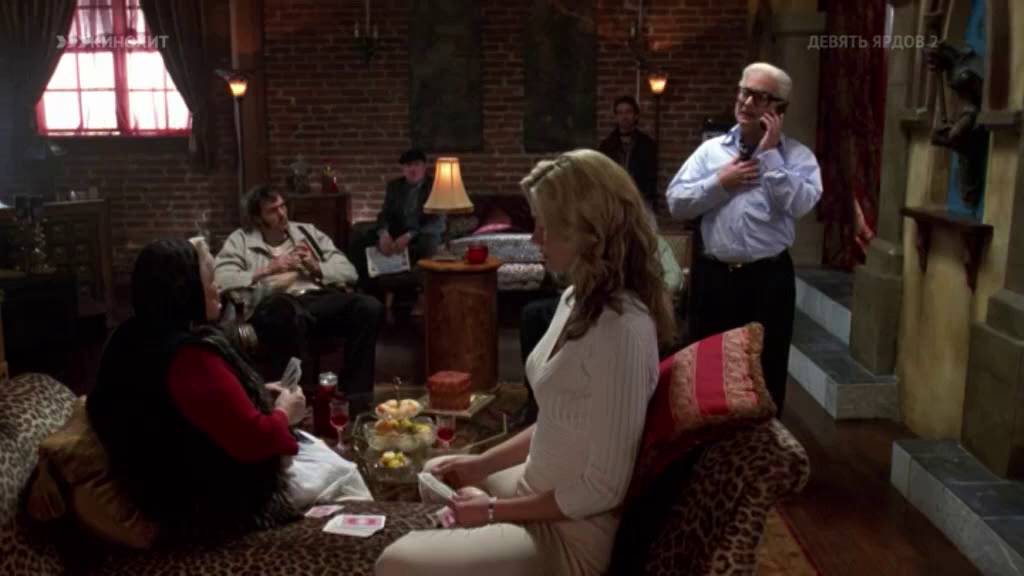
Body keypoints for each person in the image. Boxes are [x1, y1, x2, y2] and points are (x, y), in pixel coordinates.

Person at [375, 149, 676, 576]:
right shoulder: (575, 298)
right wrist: (478, 465)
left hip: (569, 532)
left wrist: (493, 510)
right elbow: (560, 415)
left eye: (545, 226)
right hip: (534, 488)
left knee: (393, 563)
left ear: (589, 232)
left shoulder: (623, 328)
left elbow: (603, 489)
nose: (536, 238)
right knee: (435, 471)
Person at [86, 238, 370, 542]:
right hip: (204, 504)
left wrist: (255, 391)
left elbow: (184, 406)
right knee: (345, 473)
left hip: (154, 483)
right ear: (185, 289)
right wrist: (285, 413)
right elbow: (257, 440)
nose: (218, 287)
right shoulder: (187, 357)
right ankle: (349, 550)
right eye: (210, 281)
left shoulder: (127, 335)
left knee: (318, 450)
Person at [666, 62, 822, 414]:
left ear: (778, 109)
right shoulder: (710, 152)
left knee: (765, 371)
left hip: (767, 280)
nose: (747, 102)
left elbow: (800, 205)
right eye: (744, 91)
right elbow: (676, 203)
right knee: (706, 366)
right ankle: (708, 440)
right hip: (714, 277)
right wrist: (720, 183)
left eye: (759, 97)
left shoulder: (798, 157)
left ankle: (764, 442)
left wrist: (769, 156)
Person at [215, 185, 383, 414]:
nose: (282, 214)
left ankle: (357, 400)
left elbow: (349, 271)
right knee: (288, 312)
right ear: (257, 217)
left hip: (314, 301)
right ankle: (298, 402)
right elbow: (221, 278)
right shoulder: (241, 240)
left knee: (368, 306)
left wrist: (316, 267)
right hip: (272, 304)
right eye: (272, 211)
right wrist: (268, 269)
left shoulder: (307, 232)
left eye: (282, 206)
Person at [516, 234, 683, 426]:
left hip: (620, 301)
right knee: (533, 315)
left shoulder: (651, 243)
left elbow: (674, 277)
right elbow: (566, 279)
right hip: (584, 298)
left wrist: (647, 291)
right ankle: (535, 400)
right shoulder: (588, 243)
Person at [352, 149, 445, 287]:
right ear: (403, 169)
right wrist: (384, 233)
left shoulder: (436, 186)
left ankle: (408, 288)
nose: (412, 169)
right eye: (408, 165)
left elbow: (437, 220)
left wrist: (409, 236)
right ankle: (368, 289)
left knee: (429, 242)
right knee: (359, 241)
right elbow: (385, 214)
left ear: (424, 167)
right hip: (397, 231)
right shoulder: (395, 186)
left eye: (416, 164)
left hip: (421, 233)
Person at [598, 95, 658, 216]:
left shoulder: (647, 144)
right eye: (620, 113)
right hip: (615, 201)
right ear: (616, 117)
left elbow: (651, 175)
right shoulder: (606, 146)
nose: (624, 116)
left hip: (640, 199)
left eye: (628, 112)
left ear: (636, 115)